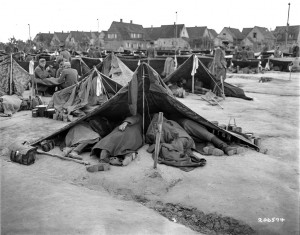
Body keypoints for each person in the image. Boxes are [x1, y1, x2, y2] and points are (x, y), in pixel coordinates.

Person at [171, 116, 242, 156]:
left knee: (201, 133)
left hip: (185, 132)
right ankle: (224, 146)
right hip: (182, 126)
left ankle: (210, 147)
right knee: (192, 126)